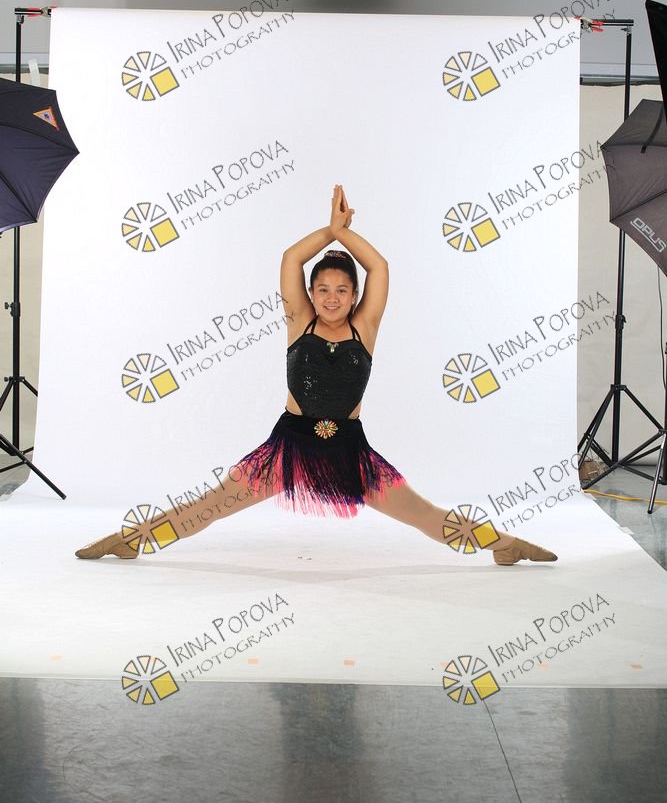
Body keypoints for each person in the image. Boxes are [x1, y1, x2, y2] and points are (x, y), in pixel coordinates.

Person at [75, 185, 557, 566]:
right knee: (208, 507)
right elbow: (291, 258)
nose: (331, 298)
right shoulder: (298, 323)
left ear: (355, 297)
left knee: (424, 515)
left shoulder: (365, 328)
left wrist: (344, 234)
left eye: (342, 290)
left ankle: (505, 544)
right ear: (309, 293)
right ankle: (129, 539)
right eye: (322, 289)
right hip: (289, 447)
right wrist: (329, 231)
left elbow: (379, 265)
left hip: (349, 450)